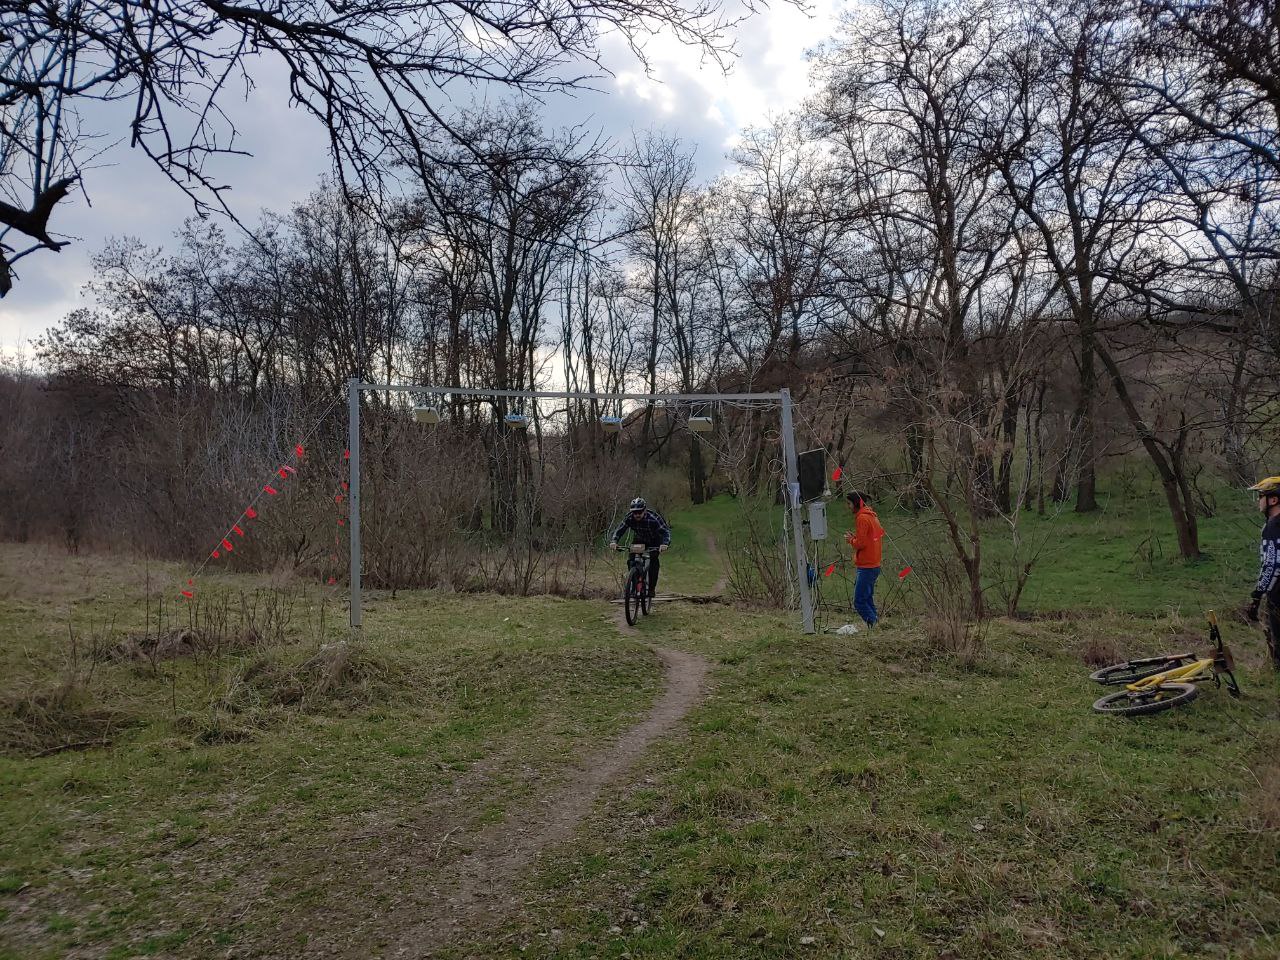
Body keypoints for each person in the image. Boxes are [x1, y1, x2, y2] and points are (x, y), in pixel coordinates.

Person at [1247, 476, 1280, 669]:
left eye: (1260, 496)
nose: (1258, 501)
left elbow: (1272, 564)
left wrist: (1257, 596)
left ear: (1273, 500)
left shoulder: (1273, 526)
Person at [609, 497, 671, 596]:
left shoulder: (654, 518)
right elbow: (619, 530)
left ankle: (651, 589)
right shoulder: (629, 517)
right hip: (640, 539)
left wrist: (665, 544)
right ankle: (634, 584)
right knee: (631, 560)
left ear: (644, 510)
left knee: (654, 561)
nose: (637, 515)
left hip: (655, 540)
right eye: (635, 512)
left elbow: (666, 532)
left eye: (639, 512)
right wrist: (614, 541)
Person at [844, 490, 885, 627]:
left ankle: (872, 623)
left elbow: (861, 544)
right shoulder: (872, 516)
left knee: (859, 600)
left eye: (849, 503)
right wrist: (855, 538)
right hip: (874, 564)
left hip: (867, 565)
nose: (848, 506)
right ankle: (876, 625)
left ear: (856, 503)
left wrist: (851, 540)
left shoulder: (862, 518)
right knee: (867, 598)